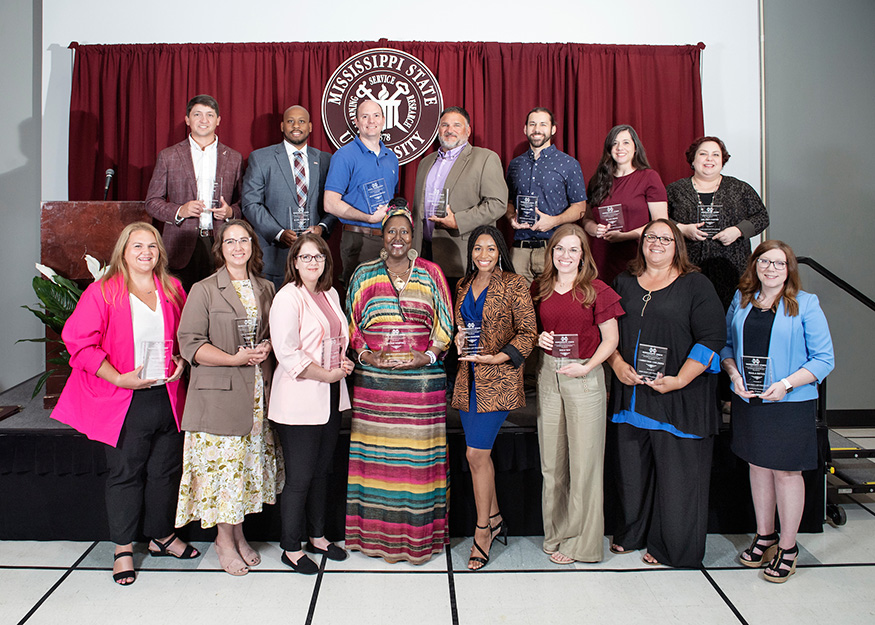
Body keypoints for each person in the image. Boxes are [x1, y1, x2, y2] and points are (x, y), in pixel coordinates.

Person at [52, 222, 196, 586]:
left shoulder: (173, 287)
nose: (146, 252)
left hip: (167, 395)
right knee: (125, 473)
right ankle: (123, 548)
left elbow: (184, 336)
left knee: (166, 472)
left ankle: (161, 536)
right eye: (137, 247)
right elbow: (78, 342)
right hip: (123, 398)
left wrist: (181, 360)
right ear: (123, 252)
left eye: (152, 246)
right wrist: (117, 377)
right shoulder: (104, 291)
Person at [605, 218, 725, 568]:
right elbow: (606, 332)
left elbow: (712, 339)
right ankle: (632, 533)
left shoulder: (696, 285)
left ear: (678, 245)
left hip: (679, 398)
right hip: (632, 397)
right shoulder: (623, 283)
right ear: (641, 243)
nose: (657, 243)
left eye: (666, 238)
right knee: (631, 476)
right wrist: (615, 363)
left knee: (678, 482)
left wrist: (681, 379)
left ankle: (673, 547)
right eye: (650, 237)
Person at [720, 240, 834, 583]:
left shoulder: (806, 304)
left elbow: (824, 359)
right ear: (754, 265)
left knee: (786, 473)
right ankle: (765, 536)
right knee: (758, 467)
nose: (771, 268)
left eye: (779, 263)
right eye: (764, 261)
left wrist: (785, 384)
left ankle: (788, 547)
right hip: (749, 400)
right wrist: (733, 374)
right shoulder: (741, 301)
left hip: (788, 403)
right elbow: (726, 344)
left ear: (789, 270)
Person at [346, 206, 453, 564]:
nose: (397, 238)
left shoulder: (431, 273)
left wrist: (429, 355)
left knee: (417, 466)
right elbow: (351, 325)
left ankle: (420, 542)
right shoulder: (364, 275)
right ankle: (373, 540)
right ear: (381, 235)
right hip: (376, 386)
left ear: (413, 237)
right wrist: (366, 356)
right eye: (390, 232)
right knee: (376, 462)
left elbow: (445, 324)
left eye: (404, 232)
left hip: (422, 386)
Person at [175, 219, 281, 576]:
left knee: (242, 472)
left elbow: (271, 334)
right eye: (230, 241)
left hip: (256, 394)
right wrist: (232, 358)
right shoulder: (204, 289)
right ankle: (223, 541)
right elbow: (189, 344)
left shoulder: (266, 287)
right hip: (219, 396)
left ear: (253, 245)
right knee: (225, 473)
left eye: (244, 240)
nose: (238, 247)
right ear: (220, 248)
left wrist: (267, 346)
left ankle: (238, 535)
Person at [531, 224, 623, 564]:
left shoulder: (597, 290)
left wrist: (587, 367)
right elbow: (537, 332)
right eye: (559, 249)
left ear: (583, 255)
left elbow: (611, 340)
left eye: (572, 250)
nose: (565, 256)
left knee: (584, 465)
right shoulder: (540, 288)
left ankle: (581, 544)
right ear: (550, 253)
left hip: (584, 376)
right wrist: (539, 340)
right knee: (552, 466)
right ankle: (556, 534)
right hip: (549, 374)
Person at [451, 224, 537, 570]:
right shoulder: (462, 285)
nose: (482, 255)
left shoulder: (514, 284)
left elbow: (529, 332)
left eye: (489, 248)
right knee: (477, 457)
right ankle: (496, 516)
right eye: (477, 249)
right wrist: (459, 339)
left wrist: (499, 357)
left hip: (498, 379)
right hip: (468, 380)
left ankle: (482, 530)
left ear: (500, 251)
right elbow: (462, 327)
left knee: (475, 453)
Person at [269, 233, 354, 574]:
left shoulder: (330, 293)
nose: (312, 263)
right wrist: (327, 374)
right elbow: (287, 353)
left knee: (322, 472)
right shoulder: (287, 298)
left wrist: (343, 365)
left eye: (318, 256)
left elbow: (337, 340)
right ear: (294, 262)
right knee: (300, 477)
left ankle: (317, 536)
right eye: (305, 257)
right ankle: (291, 546)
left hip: (330, 395)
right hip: (299, 398)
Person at [145, 95, 244, 292]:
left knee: (218, 306)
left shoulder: (234, 158)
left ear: (218, 120)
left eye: (209, 115)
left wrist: (230, 213)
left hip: (219, 242)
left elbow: (244, 204)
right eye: (197, 114)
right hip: (180, 244)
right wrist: (180, 210)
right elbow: (151, 202)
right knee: (179, 306)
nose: (204, 120)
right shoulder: (169, 156)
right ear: (187, 119)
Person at [667, 136, 769, 309]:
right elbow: (658, 219)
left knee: (731, 318)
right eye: (703, 154)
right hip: (687, 267)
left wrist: (738, 231)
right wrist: (681, 229)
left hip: (734, 268)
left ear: (723, 160)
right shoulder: (675, 190)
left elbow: (762, 217)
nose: (709, 159)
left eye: (715, 154)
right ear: (693, 159)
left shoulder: (740, 188)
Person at [242, 105, 338, 289]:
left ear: (310, 126)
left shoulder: (326, 159)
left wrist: (322, 227)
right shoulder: (261, 158)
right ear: (282, 126)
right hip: (274, 257)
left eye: (301, 121)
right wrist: (278, 233)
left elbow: (334, 201)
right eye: (290, 121)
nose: (296, 126)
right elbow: (251, 203)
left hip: (313, 260)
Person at [412, 106, 508, 284]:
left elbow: (497, 204)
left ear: (468, 130)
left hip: (459, 255)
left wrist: (459, 220)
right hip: (423, 254)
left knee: (459, 310)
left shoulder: (485, 158)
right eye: (444, 125)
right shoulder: (425, 163)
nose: (450, 130)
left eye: (457, 125)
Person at [506, 107, 588, 284]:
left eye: (543, 124)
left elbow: (580, 208)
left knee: (551, 307)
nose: (537, 129)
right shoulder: (515, 164)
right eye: (532, 124)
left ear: (553, 129)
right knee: (519, 309)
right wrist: (511, 217)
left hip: (554, 248)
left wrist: (554, 221)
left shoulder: (569, 164)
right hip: (520, 251)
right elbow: (509, 202)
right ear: (525, 129)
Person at [324, 99, 399, 284]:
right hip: (358, 238)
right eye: (364, 116)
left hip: (388, 239)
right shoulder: (344, 156)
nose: (370, 121)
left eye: (375, 116)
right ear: (356, 122)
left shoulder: (392, 158)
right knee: (358, 300)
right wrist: (368, 218)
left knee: (386, 298)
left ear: (383, 120)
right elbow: (330, 203)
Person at [582, 125, 668, 285]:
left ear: (636, 147)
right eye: (615, 143)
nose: (620, 147)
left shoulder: (649, 177)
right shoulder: (598, 180)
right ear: (609, 148)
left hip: (635, 257)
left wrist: (627, 235)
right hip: (602, 258)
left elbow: (661, 224)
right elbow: (586, 219)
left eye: (626, 142)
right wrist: (594, 229)